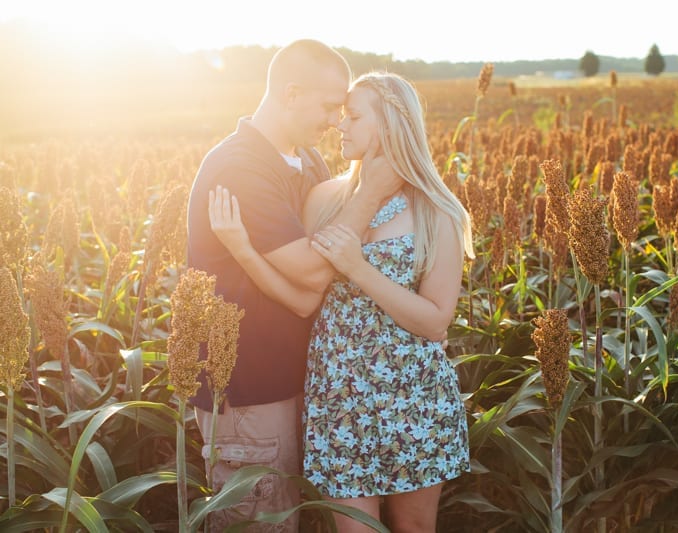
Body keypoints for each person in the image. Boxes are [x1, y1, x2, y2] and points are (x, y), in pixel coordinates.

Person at [209, 71, 474, 533]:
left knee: (414, 527)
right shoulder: (324, 200)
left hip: (414, 399)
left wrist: (359, 269)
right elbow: (304, 300)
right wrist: (242, 249)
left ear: (390, 123)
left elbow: (435, 323)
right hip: (339, 398)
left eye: (352, 116)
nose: (340, 125)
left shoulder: (437, 211)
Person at [186, 39, 401, 532]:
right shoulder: (241, 166)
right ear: (291, 92)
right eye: (329, 106)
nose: (334, 120)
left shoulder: (307, 161)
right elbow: (312, 270)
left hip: (307, 385)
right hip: (252, 393)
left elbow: (312, 293)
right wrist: (370, 193)